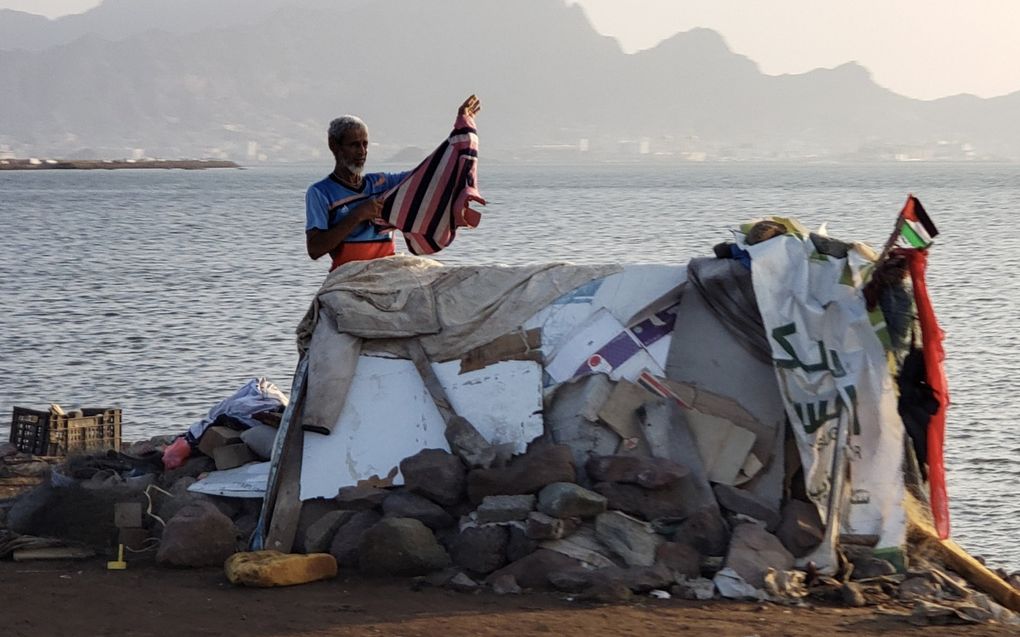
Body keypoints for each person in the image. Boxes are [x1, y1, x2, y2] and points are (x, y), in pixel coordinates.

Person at [305, 95, 482, 271]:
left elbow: (429, 177)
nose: (362, 151)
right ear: (334, 145)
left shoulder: (383, 183)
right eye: (354, 145)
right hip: (348, 274)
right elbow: (315, 249)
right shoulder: (321, 192)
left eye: (365, 144)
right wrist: (358, 215)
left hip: (387, 271)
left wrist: (461, 131)